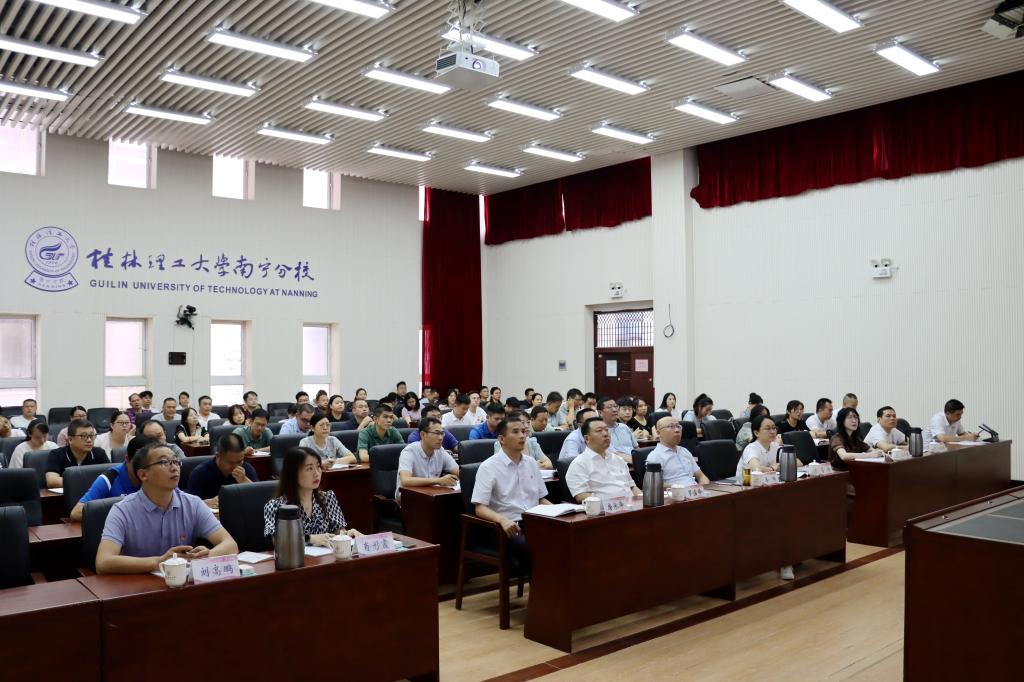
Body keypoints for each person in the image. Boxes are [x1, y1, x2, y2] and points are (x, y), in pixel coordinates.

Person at [95, 443, 237, 574]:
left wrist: (206, 556)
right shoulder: (122, 510)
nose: (174, 467)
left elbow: (230, 545)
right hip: (138, 585)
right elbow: (103, 562)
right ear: (143, 474)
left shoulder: (193, 504)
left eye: (176, 461)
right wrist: (159, 562)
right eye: (164, 462)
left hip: (181, 584)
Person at [471, 417, 551, 573]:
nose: (522, 436)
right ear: (501, 439)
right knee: (535, 548)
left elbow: (541, 499)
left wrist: (558, 511)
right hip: (508, 527)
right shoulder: (488, 467)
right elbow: (480, 508)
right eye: (515, 432)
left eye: (523, 431)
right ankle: (541, 587)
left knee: (564, 538)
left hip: (535, 521)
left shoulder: (531, 463)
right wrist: (502, 520)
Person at [263, 447, 361, 547]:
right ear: (293, 473)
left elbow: (337, 531)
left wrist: (346, 534)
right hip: (295, 556)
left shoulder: (327, 498)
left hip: (325, 555)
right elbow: (277, 541)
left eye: (318, 467)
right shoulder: (276, 506)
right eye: (309, 468)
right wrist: (310, 539)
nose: (316, 473)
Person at [70, 435, 146, 521]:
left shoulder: (154, 477)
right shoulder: (109, 479)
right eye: (139, 463)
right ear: (127, 459)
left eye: (149, 465)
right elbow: (76, 513)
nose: (144, 469)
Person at [566, 418, 641, 502]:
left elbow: (632, 486)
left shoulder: (618, 459)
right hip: (605, 508)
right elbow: (581, 496)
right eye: (599, 431)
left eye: (606, 430)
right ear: (587, 438)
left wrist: (642, 500)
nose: (605, 434)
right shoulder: (579, 464)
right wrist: (611, 503)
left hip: (631, 506)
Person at [187, 433, 260, 508]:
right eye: (231, 463)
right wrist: (205, 503)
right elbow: (189, 506)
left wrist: (244, 481)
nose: (236, 467)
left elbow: (260, 498)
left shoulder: (246, 469)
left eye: (240, 461)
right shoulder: (199, 474)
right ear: (218, 456)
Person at [396, 417, 460, 500]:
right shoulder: (409, 451)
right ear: (423, 435)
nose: (440, 438)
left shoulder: (440, 451)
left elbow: (458, 471)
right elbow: (405, 480)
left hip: (431, 495)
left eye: (442, 433)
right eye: (436, 433)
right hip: (409, 499)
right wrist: (438, 480)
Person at [647, 416, 710, 487]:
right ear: (659, 433)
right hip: (675, 492)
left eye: (678, 426)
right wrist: (681, 488)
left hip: (694, 491)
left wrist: (705, 487)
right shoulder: (655, 456)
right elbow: (655, 484)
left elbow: (701, 476)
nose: (677, 430)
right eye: (671, 426)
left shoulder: (684, 451)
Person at [45, 419, 108, 487]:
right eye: (84, 436)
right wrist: (84, 482)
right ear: (70, 440)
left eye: (92, 436)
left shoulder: (99, 453)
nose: (89, 440)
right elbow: (52, 481)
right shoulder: (56, 454)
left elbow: (110, 477)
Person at [597, 396, 637, 462]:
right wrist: (635, 460)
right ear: (600, 413)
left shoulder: (624, 427)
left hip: (634, 463)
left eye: (615, 406)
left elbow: (636, 448)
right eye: (609, 407)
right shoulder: (599, 432)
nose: (614, 410)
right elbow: (611, 454)